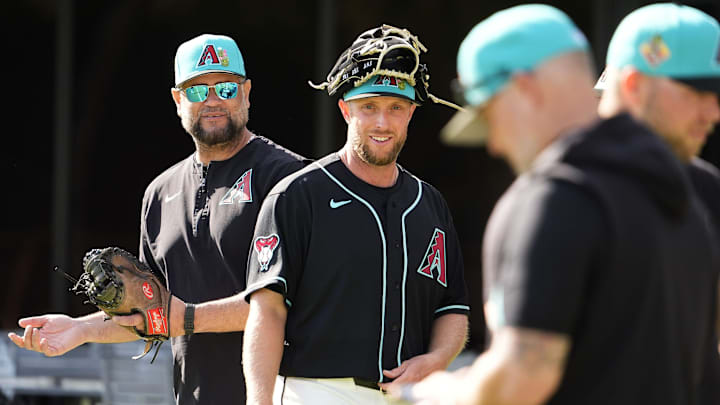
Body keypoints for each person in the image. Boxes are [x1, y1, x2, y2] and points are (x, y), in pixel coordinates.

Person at [392, 4, 719, 405]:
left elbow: (522, 380)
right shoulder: (685, 200)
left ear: (525, 88)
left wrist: (435, 394)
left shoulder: (552, 199)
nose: (494, 144)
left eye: (490, 116)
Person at [8, 33, 307, 404]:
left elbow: (296, 299)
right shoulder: (160, 194)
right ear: (178, 100)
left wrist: (188, 317)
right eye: (197, 91)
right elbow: (154, 312)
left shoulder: (290, 179)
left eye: (226, 88)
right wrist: (79, 330)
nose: (212, 100)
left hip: (281, 395)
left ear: (247, 92)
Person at [241, 25, 470, 405]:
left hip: (409, 395)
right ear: (346, 109)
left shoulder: (430, 204)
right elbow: (267, 312)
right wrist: (259, 401)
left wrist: (436, 359)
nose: (383, 122)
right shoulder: (298, 195)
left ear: (411, 112)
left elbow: (452, 308)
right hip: (316, 391)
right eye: (369, 107)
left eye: (395, 107)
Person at [593, 4, 720, 404]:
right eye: (694, 92)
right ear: (631, 86)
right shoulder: (558, 195)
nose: (713, 113)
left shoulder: (707, 188)